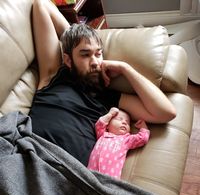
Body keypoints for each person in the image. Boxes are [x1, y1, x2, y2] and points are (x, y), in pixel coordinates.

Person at [29, 0, 176, 166]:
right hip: (30, 153)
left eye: (98, 54)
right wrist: (76, 35)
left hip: (69, 175)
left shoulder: (108, 99)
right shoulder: (54, 76)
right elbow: (40, 5)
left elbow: (166, 112)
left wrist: (125, 68)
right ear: (68, 60)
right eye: (85, 55)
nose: (94, 62)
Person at [87, 107, 150, 179]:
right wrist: (110, 114)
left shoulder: (126, 140)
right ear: (107, 125)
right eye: (119, 119)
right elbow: (100, 124)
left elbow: (142, 139)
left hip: (110, 178)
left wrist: (143, 127)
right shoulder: (102, 134)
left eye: (128, 122)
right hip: (90, 174)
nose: (124, 122)